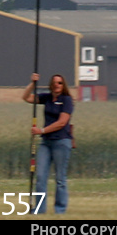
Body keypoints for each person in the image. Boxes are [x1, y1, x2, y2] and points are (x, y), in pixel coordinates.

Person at [23, 72, 74, 214]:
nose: (56, 85)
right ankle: (40, 209)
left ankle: (60, 210)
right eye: (54, 82)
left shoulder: (67, 100)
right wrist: (32, 83)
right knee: (40, 177)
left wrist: (41, 130)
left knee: (60, 178)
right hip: (46, 143)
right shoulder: (47, 98)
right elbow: (26, 97)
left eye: (60, 83)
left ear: (63, 85)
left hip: (61, 142)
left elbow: (62, 122)